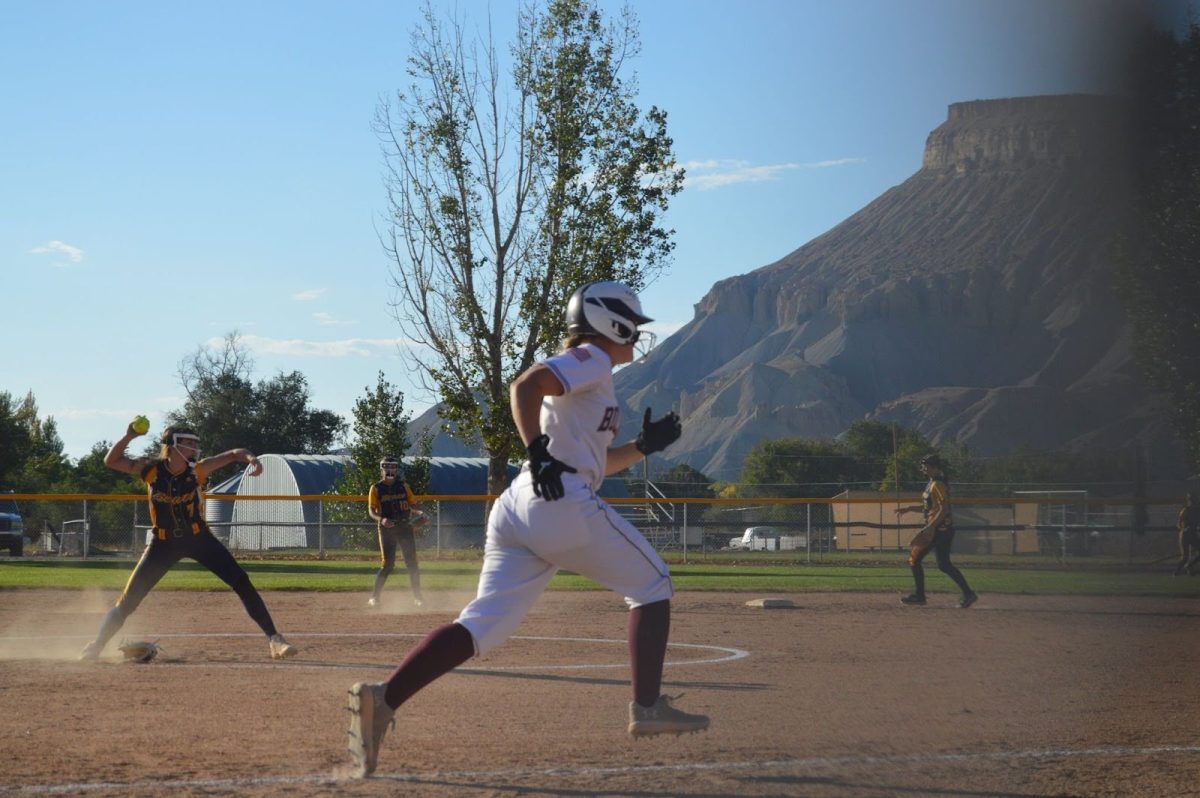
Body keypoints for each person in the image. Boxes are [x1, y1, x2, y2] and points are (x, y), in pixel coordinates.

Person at [344, 281, 709, 778]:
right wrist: (538, 453)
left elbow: (598, 460)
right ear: (610, 323)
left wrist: (645, 445)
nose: (637, 339)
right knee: (653, 585)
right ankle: (647, 708)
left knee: (480, 626)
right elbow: (526, 387)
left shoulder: (593, 372)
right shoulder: (592, 358)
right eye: (633, 329)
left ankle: (384, 700)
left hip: (521, 505)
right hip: (558, 500)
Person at [79, 424, 298, 661]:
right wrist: (129, 436)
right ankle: (96, 645)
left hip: (199, 538)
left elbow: (235, 454)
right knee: (128, 601)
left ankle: (275, 640)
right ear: (172, 445)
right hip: (162, 544)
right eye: (189, 443)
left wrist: (252, 459)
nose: (194, 447)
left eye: (195, 443)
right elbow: (111, 461)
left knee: (241, 582)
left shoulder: (198, 470)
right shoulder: (151, 469)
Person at [894, 453, 978, 609]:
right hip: (942, 529)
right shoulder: (932, 483)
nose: (923, 469)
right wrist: (910, 508)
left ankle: (920, 596)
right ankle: (968, 593)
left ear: (934, 467)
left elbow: (944, 509)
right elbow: (930, 507)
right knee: (944, 565)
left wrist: (930, 527)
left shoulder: (937, 484)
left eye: (926, 466)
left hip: (939, 529)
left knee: (914, 559)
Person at [367, 456, 426, 608]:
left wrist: (420, 513)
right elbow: (371, 511)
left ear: (396, 469)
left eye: (393, 467)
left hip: (405, 527)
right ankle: (374, 598)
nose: (390, 470)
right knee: (388, 564)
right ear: (382, 469)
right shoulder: (376, 488)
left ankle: (418, 597)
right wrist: (381, 520)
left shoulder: (403, 486)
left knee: (412, 563)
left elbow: (413, 505)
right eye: (386, 467)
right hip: (387, 528)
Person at [1174, 491, 1200, 576]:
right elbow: (1178, 523)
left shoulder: (1197, 510)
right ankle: (1176, 573)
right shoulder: (1186, 510)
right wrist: (1184, 529)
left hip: (1193, 534)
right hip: (1185, 535)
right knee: (1185, 557)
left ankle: (1189, 566)